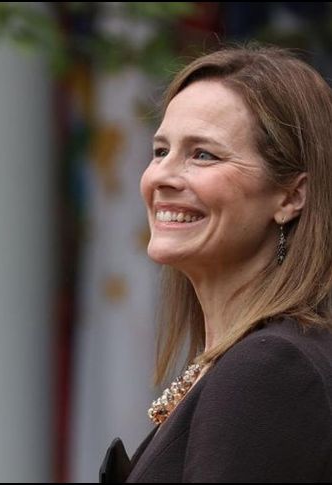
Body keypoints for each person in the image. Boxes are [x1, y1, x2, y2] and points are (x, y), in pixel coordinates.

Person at [101, 45, 332, 482]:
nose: (162, 177)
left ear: (290, 196)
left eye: (203, 154)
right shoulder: (250, 361)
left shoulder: (271, 369)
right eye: (160, 151)